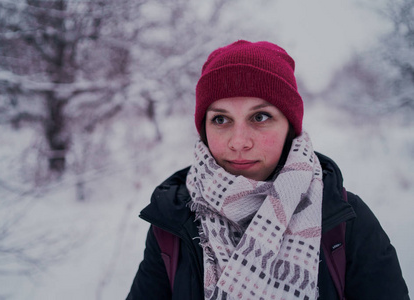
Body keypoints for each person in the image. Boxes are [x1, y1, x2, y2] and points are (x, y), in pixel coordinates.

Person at [127, 40, 409, 300]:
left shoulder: (346, 222)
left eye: (260, 117)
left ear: (290, 127)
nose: (238, 142)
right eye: (221, 119)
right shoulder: (172, 222)